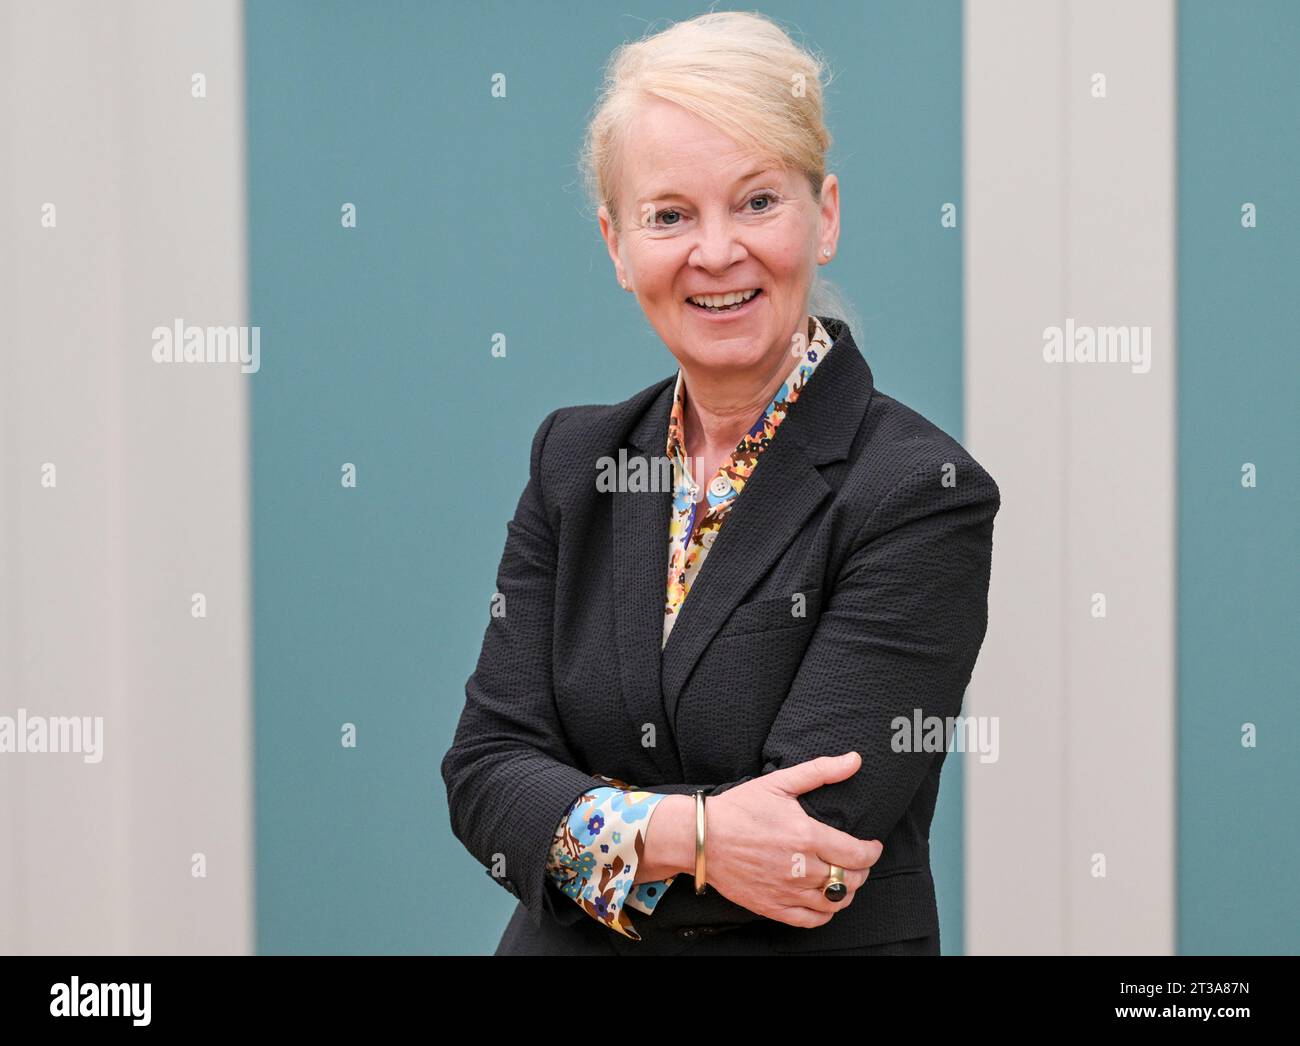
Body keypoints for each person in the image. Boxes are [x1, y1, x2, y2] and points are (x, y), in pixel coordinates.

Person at [440, 10, 1000, 957]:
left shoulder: (921, 492)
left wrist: (581, 826)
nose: (715, 252)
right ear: (618, 247)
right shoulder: (573, 464)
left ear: (823, 216)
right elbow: (486, 775)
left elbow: (810, 850)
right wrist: (697, 836)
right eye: (669, 215)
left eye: (756, 201)